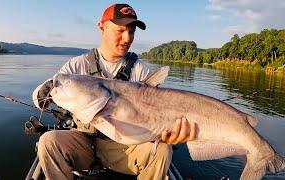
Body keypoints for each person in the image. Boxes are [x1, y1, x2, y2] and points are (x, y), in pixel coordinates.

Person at [32, 3, 197, 180]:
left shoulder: (140, 72)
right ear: (102, 27)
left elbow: (160, 116)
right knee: (48, 142)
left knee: (163, 149)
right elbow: (38, 98)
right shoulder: (77, 66)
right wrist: (43, 92)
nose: (127, 38)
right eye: (120, 30)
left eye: (131, 31)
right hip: (84, 142)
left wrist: (170, 134)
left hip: (124, 148)